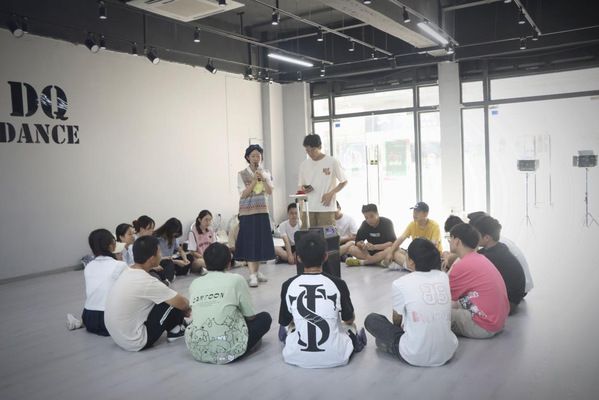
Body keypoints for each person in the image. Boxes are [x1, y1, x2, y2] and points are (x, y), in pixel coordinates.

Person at [278, 232, 367, 368]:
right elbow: (349, 319)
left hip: (294, 357)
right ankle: (356, 341)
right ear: (325, 256)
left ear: (299, 258)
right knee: (351, 327)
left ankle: (289, 340)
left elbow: (285, 321)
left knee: (289, 326)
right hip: (337, 357)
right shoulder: (338, 284)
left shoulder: (288, 285)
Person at [364, 239, 458, 367]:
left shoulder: (400, 283)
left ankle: (388, 344)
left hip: (414, 354)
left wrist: (397, 330)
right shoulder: (443, 277)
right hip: (447, 352)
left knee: (372, 320)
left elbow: (397, 319)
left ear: (411, 262)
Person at [185, 243, 272, 364]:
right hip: (228, 351)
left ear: (205, 263)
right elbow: (250, 316)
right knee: (265, 318)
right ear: (229, 263)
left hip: (198, 350)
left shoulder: (195, 283)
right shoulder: (236, 279)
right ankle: (241, 347)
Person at [104, 235, 190, 351]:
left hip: (118, 336)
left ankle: (178, 325)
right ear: (151, 259)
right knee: (171, 302)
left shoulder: (127, 271)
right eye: (160, 252)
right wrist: (186, 308)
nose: (161, 255)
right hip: (136, 340)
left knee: (166, 297)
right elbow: (182, 303)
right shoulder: (146, 281)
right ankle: (176, 331)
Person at [447, 223, 509, 339]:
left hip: (483, 326)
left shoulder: (462, 266)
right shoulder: (481, 258)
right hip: (498, 321)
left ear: (456, 241)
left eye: (450, 238)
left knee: (435, 314)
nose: (449, 242)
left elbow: (442, 297)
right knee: (454, 304)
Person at [235, 144, 276, 287]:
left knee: (259, 242)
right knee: (250, 243)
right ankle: (252, 275)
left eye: (258, 155)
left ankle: (257, 272)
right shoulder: (241, 174)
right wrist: (253, 181)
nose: (256, 158)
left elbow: (270, 192)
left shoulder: (266, 172)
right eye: (253, 156)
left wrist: (263, 179)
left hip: (262, 211)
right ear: (248, 157)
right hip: (247, 213)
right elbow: (243, 194)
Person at [468, 211, 534, 294]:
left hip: (512, 295)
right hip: (515, 289)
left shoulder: (494, 255)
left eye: (474, 234)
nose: (472, 237)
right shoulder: (497, 245)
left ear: (487, 237)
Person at [470, 216, 526, 314]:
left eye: (476, 235)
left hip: (508, 303)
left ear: (487, 238)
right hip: (510, 298)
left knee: (464, 301)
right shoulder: (498, 248)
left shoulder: (493, 257)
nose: (473, 237)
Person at [78, 229, 127, 336]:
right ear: (111, 245)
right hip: (108, 320)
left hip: (88, 319)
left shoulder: (89, 266)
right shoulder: (119, 265)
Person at [297, 134, 348, 227]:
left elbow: (344, 181)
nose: (310, 153)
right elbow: (301, 186)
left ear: (320, 147)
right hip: (308, 208)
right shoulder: (304, 165)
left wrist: (331, 193)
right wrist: (304, 189)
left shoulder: (332, 162)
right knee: (307, 234)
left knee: (327, 235)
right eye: (307, 150)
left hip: (326, 208)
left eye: (313, 150)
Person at [385, 202, 442, 269]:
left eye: (418, 212)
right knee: (393, 251)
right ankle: (411, 267)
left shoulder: (434, 226)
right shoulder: (412, 224)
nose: (414, 214)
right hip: (417, 256)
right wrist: (390, 252)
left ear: (426, 214)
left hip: (430, 258)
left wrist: (411, 258)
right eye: (414, 211)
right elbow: (401, 239)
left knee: (398, 256)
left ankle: (411, 267)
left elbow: (433, 248)